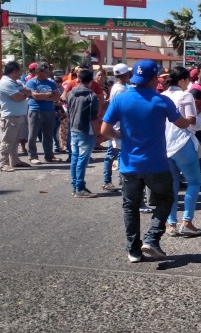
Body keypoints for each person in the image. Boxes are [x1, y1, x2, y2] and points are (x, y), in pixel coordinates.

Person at [100, 60, 194, 263]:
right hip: (156, 164)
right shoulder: (161, 101)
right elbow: (181, 123)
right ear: (153, 78)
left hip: (129, 164)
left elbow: (105, 130)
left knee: (130, 206)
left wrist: (121, 136)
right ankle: (152, 238)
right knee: (166, 199)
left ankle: (133, 251)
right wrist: (192, 119)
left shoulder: (120, 99)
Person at [162, 67, 201, 237]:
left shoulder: (164, 95)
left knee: (172, 185)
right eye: (188, 80)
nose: (189, 83)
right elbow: (191, 121)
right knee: (194, 182)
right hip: (182, 142)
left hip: (165, 144)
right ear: (182, 80)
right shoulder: (185, 95)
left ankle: (171, 223)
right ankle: (187, 221)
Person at [66, 68, 99, 197]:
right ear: (91, 80)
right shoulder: (91, 96)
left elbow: (68, 111)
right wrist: (96, 133)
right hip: (86, 130)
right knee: (82, 159)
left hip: (74, 128)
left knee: (75, 157)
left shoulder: (71, 93)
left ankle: (76, 186)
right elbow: (93, 117)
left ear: (78, 79)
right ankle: (79, 187)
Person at [102, 64, 131, 192]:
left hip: (116, 125)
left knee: (117, 154)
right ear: (125, 75)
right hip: (118, 126)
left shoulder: (116, 87)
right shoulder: (121, 90)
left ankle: (119, 178)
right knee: (112, 154)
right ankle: (107, 180)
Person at [26, 63, 62, 165]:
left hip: (49, 111)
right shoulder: (31, 83)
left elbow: (56, 97)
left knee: (48, 135)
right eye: (46, 71)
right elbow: (36, 96)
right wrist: (49, 94)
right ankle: (32, 156)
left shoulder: (51, 83)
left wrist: (43, 95)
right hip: (35, 110)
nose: (48, 73)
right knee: (32, 135)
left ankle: (49, 156)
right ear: (39, 72)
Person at [0, 61, 33, 172]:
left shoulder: (17, 82)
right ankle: (3, 163)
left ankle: (15, 160)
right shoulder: (5, 83)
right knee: (7, 141)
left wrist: (24, 93)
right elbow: (18, 97)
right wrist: (24, 93)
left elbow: (29, 91)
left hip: (19, 115)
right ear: (14, 71)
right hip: (10, 116)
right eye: (19, 70)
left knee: (15, 141)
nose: (21, 73)